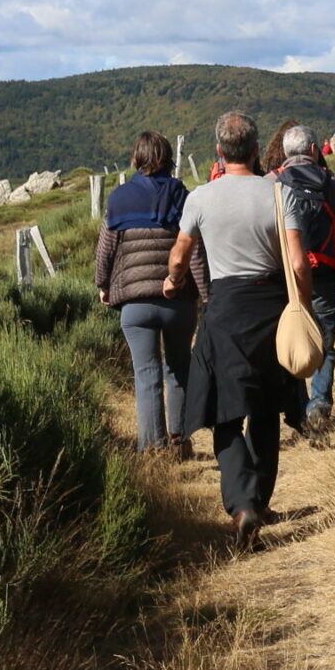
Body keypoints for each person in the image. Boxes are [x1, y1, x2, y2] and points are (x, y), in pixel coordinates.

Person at [166, 110, 308, 547]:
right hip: (271, 306)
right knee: (265, 410)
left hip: (225, 309)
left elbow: (179, 254)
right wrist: (303, 308)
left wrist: (173, 281)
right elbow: (299, 261)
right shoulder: (279, 192)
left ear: (219, 153)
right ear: (254, 147)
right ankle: (260, 501)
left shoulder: (200, 199)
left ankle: (243, 504)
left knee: (225, 414)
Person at [94, 131, 194, 452]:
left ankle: (153, 447)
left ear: (136, 158)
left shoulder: (119, 198)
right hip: (177, 298)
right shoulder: (181, 195)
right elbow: (195, 246)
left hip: (135, 304)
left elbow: (105, 250)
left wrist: (103, 285)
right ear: (167, 157)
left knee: (146, 373)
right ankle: (180, 439)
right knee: (179, 366)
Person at [274, 122, 335, 426]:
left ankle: (298, 406)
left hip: (287, 280)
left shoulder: (275, 183)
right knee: (324, 345)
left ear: (286, 153)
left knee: (293, 340)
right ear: (315, 150)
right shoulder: (331, 183)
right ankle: (319, 404)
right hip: (326, 276)